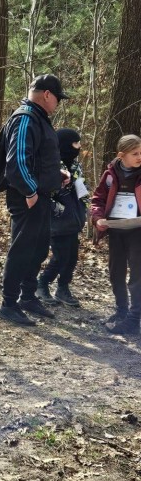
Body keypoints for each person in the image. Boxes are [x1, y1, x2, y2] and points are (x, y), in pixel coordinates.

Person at [0, 74, 69, 327]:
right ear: (47, 94)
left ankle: (27, 297)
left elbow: (36, 158)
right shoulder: (25, 118)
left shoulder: (38, 118)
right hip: (26, 197)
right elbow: (16, 162)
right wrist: (30, 192)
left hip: (40, 195)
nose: (58, 103)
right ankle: (8, 304)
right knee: (22, 250)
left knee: (38, 249)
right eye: (58, 98)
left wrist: (55, 175)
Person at [91, 134, 141, 336]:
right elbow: (98, 199)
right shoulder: (110, 174)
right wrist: (98, 218)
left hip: (138, 232)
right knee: (116, 272)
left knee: (137, 275)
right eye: (135, 153)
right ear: (121, 155)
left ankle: (134, 319)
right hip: (116, 231)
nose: (139, 157)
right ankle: (121, 311)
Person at [36, 129, 88, 307]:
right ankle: (42, 284)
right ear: (65, 144)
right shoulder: (51, 165)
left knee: (72, 257)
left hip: (73, 218)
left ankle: (63, 288)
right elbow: (45, 192)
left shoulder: (75, 165)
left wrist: (84, 209)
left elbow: (82, 189)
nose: (79, 147)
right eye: (75, 143)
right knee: (60, 256)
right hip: (56, 219)